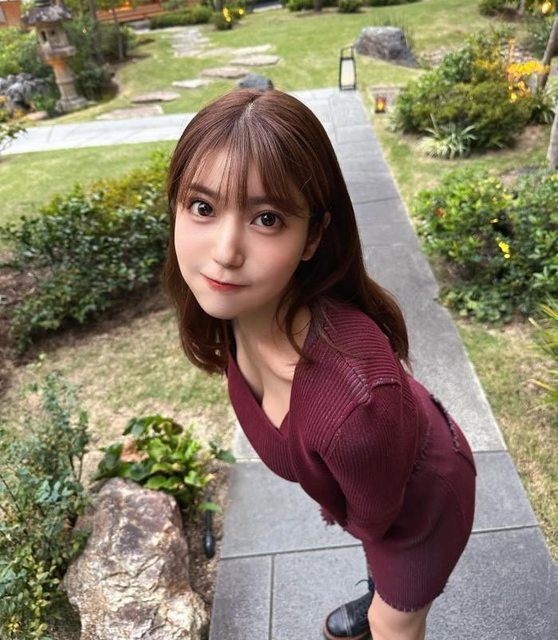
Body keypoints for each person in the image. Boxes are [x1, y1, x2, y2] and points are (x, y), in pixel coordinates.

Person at [164, 88, 476, 640]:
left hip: (421, 507)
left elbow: (377, 520)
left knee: (392, 623)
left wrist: (387, 584)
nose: (225, 251)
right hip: (383, 465)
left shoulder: (355, 410)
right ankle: (376, 586)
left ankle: (384, 598)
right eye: (203, 208)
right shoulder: (238, 307)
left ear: (312, 237)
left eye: (266, 218)